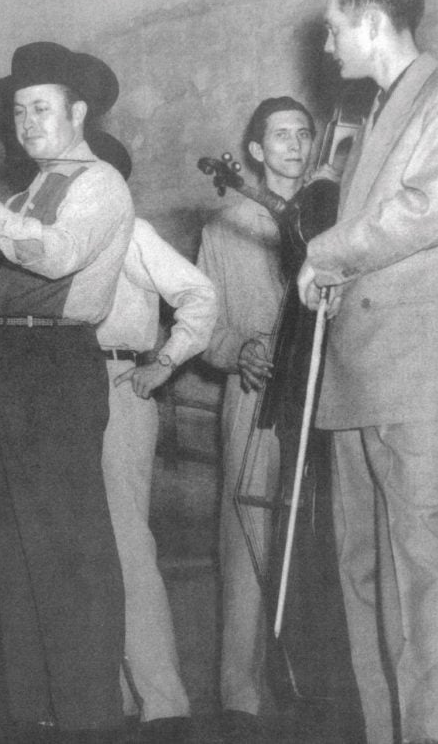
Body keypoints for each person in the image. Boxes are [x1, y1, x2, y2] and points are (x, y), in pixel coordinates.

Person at [297, 0, 438, 744]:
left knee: (424, 584)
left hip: (415, 374)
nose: (326, 43)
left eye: (335, 26)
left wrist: (324, 254)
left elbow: (424, 212)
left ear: (373, 22)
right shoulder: (369, 114)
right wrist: (331, 274)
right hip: (356, 371)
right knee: (364, 581)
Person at [0, 42, 134, 739]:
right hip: (4, 358)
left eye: (42, 107)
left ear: (79, 112)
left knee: (67, 546)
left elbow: (59, 253)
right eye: (19, 109)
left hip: (54, 363)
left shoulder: (99, 183)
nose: (28, 120)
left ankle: (90, 718)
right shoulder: (26, 187)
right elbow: (8, 271)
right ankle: (38, 714)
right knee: (12, 544)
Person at [88, 129, 218, 740]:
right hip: (65, 390)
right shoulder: (63, 237)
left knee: (125, 542)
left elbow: (198, 294)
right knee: (92, 547)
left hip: (119, 387)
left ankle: (164, 702)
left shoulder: (133, 233)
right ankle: (114, 696)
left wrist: (164, 362)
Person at [196, 97, 315, 740]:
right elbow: (203, 323)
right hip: (255, 396)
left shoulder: (330, 223)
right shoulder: (225, 228)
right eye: (280, 135)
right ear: (257, 152)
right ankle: (240, 695)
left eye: (303, 134)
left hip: (320, 399)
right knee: (245, 541)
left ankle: (309, 679)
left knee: (315, 541)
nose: (293, 145)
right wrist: (239, 348)